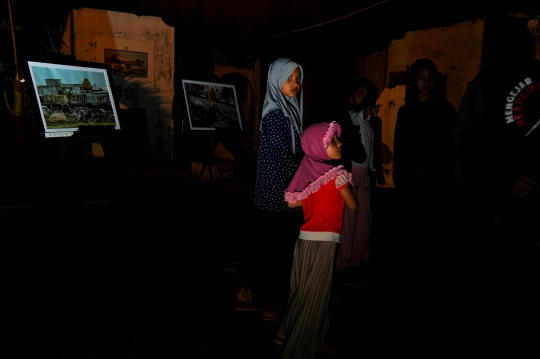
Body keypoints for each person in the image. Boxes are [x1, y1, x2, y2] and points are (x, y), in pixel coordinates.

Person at [454, 12, 539, 349]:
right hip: (510, 210)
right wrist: (503, 182)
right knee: (504, 300)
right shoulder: (499, 76)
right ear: (533, 25)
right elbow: (469, 141)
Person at [274, 121, 357, 358]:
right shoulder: (335, 174)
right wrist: (344, 189)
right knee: (315, 293)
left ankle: (297, 335)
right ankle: (298, 349)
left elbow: (292, 202)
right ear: (317, 147)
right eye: (332, 141)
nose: (339, 143)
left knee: (305, 290)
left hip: (304, 240)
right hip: (324, 241)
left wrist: (313, 197)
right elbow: (352, 205)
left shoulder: (311, 173)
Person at [234, 57, 305, 322]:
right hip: (278, 196)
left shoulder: (287, 110)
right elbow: (283, 156)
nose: (295, 83)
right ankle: (271, 303)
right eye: (289, 78)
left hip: (275, 195)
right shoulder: (276, 114)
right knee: (277, 250)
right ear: (276, 81)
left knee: (262, 245)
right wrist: (308, 174)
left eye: (298, 79)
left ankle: (247, 293)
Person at [392, 58, 457, 254]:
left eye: (430, 79)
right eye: (421, 78)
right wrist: (403, 174)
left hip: (436, 179)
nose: (426, 83)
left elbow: (449, 144)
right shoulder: (405, 112)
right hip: (409, 179)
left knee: (434, 230)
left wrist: (429, 166)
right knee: (411, 230)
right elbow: (400, 145)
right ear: (414, 81)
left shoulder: (445, 110)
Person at [335, 76, 384, 287]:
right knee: (349, 224)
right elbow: (357, 118)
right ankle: (341, 269)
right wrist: (365, 112)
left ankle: (355, 265)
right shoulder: (350, 116)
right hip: (351, 176)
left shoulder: (373, 122)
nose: (364, 99)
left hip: (364, 179)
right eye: (359, 94)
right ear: (351, 98)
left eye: (367, 96)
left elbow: (374, 149)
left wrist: (376, 171)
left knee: (364, 223)